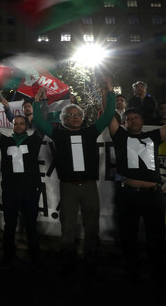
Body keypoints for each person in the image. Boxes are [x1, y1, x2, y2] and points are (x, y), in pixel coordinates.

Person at [33, 78, 115, 276]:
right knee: (68, 227)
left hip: (89, 187)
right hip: (68, 188)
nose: (76, 117)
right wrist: (37, 103)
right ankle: (68, 263)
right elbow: (39, 122)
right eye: (71, 115)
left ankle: (91, 262)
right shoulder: (58, 134)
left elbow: (109, 114)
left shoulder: (90, 132)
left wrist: (110, 92)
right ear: (64, 119)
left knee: (92, 227)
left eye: (78, 114)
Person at [108, 108, 166, 283]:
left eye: (136, 117)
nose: (132, 121)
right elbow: (108, 114)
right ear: (124, 122)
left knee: (156, 236)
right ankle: (133, 272)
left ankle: (159, 272)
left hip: (153, 195)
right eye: (129, 119)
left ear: (142, 120)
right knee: (128, 235)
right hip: (128, 195)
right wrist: (106, 92)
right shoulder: (120, 136)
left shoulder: (154, 135)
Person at [0, 114, 43, 267]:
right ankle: (8, 255)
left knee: (30, 226)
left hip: (29, 191)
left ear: (26, 126)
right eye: (16, 124)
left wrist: (40, 103)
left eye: (21, 123)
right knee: (9, 226)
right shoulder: (6, 141)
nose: (18, 126)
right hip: (10, 191)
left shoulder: (33, 141)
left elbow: (42, 124)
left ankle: (35, 257)